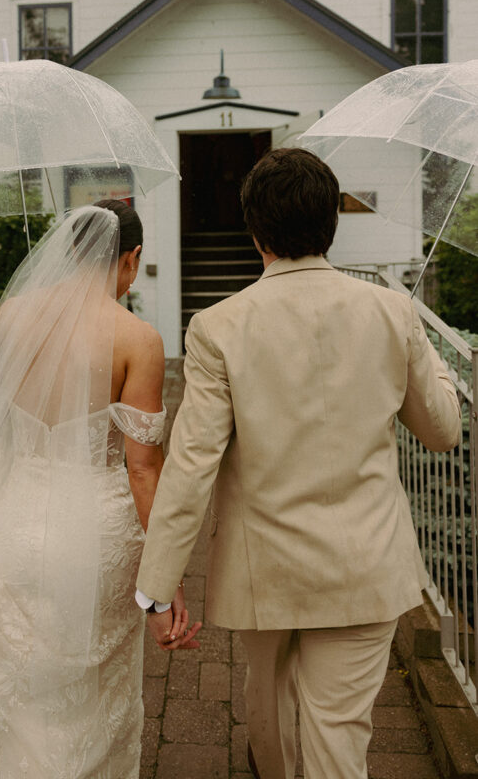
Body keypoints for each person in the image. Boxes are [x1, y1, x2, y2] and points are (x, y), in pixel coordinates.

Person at [136, 148, 462, 779]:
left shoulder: (216, 326)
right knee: (338, 741)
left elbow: (191, 464)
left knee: (271, 722)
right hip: (365, 565)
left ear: (255, 230)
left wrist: (158, 588)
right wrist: (438, 367)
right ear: (329, 225)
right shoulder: (391, 312)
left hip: (265, 573)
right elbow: (443, 430)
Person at [0, 200, 199, 779]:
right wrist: (165, 585)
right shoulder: (139, 339)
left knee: (13, 697)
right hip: (94, 537)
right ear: (130, 259)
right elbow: (142, 471)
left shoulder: (10, 316)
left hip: (8, 519)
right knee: (94, 700)